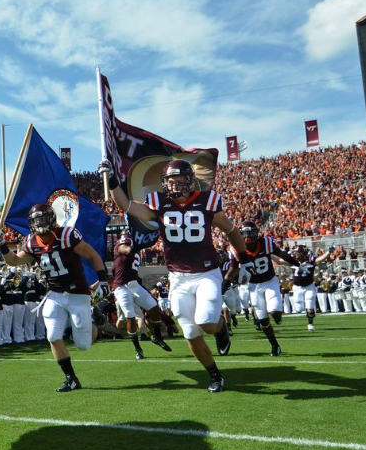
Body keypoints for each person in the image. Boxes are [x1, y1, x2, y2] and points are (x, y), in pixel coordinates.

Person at [100, 158, 252, 393]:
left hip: (206, 274)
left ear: (190, 181)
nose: (174, 185)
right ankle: (215, 375)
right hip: (178, 277)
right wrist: (110, 179)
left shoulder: (207, 201)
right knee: (190, 333)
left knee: (206, 322)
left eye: (179, 180)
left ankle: (220, 328)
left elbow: (230, 230)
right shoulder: (158, 203)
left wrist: (243, 257)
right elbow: (127, 205)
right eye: (170, 181)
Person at [0, 203, 109, 392]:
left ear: (52, 219)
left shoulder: (66, 235)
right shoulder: (31, 241)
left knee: (83, 345)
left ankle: (95, 321)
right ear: (31, 223)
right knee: (53, 335)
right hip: (54, 294)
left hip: (77, 294)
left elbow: (92, 255)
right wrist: (2, 245)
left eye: (43, 218)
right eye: (36, 219)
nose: (40, 223)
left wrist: (103, 280)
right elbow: (14, 261)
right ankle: (71, 378)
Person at [226, 221, 299, 356]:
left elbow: (282, 254)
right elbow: (232, 269)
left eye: (251, 234)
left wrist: (297, 264)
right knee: (263, 320)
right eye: (245, 235)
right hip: (253, 286)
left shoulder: (266, 242)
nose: (248, 238)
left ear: (256, 233)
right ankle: (275, 345)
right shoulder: (236, 249)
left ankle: (278, 317)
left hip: (269, 281)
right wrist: (225, 283)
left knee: (274, 312)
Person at [111, 229, 172, 360]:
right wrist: (137, 244)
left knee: (154, 307)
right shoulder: (122, 245)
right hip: (122, 286)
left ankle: (156, 337)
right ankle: (138, 348)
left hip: (134, 284)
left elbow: (131, 269)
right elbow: (126, 250)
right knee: (130, 316)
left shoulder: (136, 250)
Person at [290, 245, 335, 331]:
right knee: (299, 309)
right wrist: (271, 255)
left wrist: (328, 252)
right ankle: (307, 314)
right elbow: (282, 261)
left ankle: (310, 323)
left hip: (308, 286)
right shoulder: (293, 260)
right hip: (297, 287)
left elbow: (320, 259)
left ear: (303, 253)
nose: (296, 254)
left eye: (298, 253)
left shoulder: (311, 259)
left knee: (310, 308)